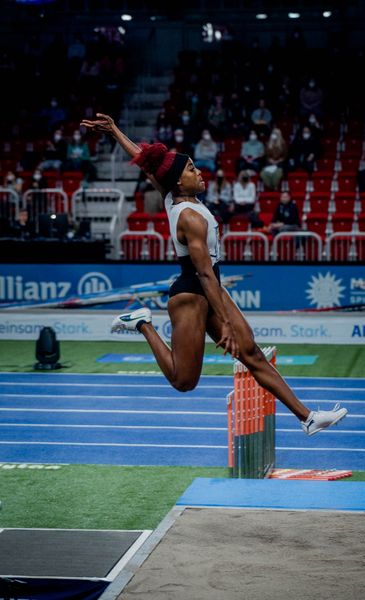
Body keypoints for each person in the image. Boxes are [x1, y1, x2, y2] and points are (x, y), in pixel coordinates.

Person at [81, 112, 348, 436]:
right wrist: (226, 324)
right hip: (191, 295)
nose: (199, 171)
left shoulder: (174, 196)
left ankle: (307, 418)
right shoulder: (191, 218)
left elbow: (146, 161)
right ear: (180, 180)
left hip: (210, 289)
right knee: (184, 381)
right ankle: (142, 323)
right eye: (192, 168)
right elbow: (206, 275)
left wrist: (114, 131)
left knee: (251, 354)